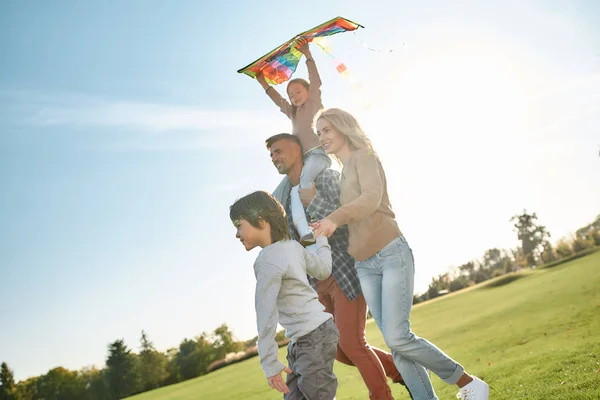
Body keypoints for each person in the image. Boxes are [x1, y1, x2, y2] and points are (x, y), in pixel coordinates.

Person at [312, 108, 490, 400]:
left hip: (390, 252)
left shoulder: (365, 156)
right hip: (365, 266)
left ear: (344, 128)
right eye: (319, 133)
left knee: (398, 336)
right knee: (398, 345)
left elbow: (371, 198)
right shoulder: (342, 175)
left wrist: (335, 217)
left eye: (327, 129)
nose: (323, 137)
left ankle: (468, 383)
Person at [266, 133, 415, 400]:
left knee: (352, 343)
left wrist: (312, 201)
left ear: (297, 149)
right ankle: (405, 374)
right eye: (271, 154)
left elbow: (346, 212)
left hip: (344, 271)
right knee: (334, 347)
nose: (274, 157)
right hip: (315, 282)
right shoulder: (284, 200)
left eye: (278, 151)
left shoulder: (325, 177)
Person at [230, 190, 339, 399]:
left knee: (317, 395)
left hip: (312, 337)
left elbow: (266, 315)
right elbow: (324, 269)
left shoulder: (266, 261)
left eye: (238, 226)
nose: (236, 234)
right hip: (306, 338)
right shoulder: (293, 247)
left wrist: (269, 363)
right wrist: (322, 240)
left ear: (260, 222)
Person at [256, 38, 331, 245]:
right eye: (291, 95)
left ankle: (316, 225)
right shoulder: (293, 113)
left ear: (308, 91)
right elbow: (278, 100)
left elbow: (315, 80)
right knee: (286, 192)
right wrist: (263, 82)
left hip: (317, 155)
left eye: (298, 91)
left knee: (305, 183)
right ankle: (299, 230)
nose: (294, 96)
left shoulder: (315, 102)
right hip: (301, 161)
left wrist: (308, 55)